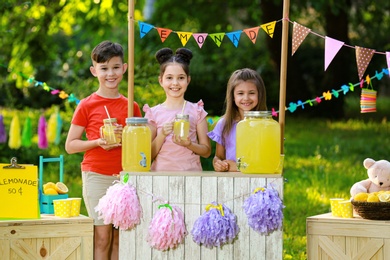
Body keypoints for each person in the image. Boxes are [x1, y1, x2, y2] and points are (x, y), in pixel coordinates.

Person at [65, 40, 142, 260]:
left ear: (124, 68)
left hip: (124, 178)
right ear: (94, 71)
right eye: (104, 68)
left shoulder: (131, 106)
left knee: (120, 238)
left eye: (116, 67)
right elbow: (70, 145)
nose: (111, 73)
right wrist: (97, 141)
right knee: (102, 237)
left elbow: (137, 145)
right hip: (96, 175)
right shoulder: (86, 105)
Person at [143, 47, 211, 171]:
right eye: (169, 78)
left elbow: (206, 152)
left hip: (191, 178)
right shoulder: (153, 113)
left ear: (188, 80)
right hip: (161, 179)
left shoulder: (197, 111)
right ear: (161, 81)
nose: (175, 83)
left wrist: (189, 144)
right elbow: (147, 156)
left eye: (181, 78)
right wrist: (162, 134)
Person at [207, 68, 267, 172]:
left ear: (259, 94)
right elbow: (218, 157)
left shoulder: (265, 125)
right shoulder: (225, 124)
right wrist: (218, 164)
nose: (246, 98)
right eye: (240, 93)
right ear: (233, 96)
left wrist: (239, 167)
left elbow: (266, 161)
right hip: (232, 181)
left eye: (251, 93)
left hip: (258, 180)